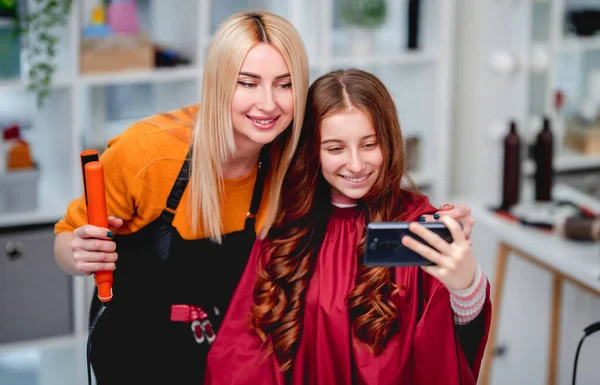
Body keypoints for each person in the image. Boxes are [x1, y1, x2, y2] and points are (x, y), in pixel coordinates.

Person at [54, 11, 475, 385]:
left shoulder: (286, 162)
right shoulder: (148, 152)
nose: (268, 103)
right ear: (220, 82)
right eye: (248, 83)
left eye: (285, 84)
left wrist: (438, 229)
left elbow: (360, 216)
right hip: (139, 357)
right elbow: (67, 240)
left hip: (226, 355)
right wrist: (78, 253)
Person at [204, 69, 491, 385]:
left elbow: (444, 350)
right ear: (312, 151)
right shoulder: (286, 229)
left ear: (389, 141)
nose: (356, 165)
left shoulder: (416, 226)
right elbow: (242, 355)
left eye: (369, 145)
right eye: (335, 148)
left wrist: (467, 285)